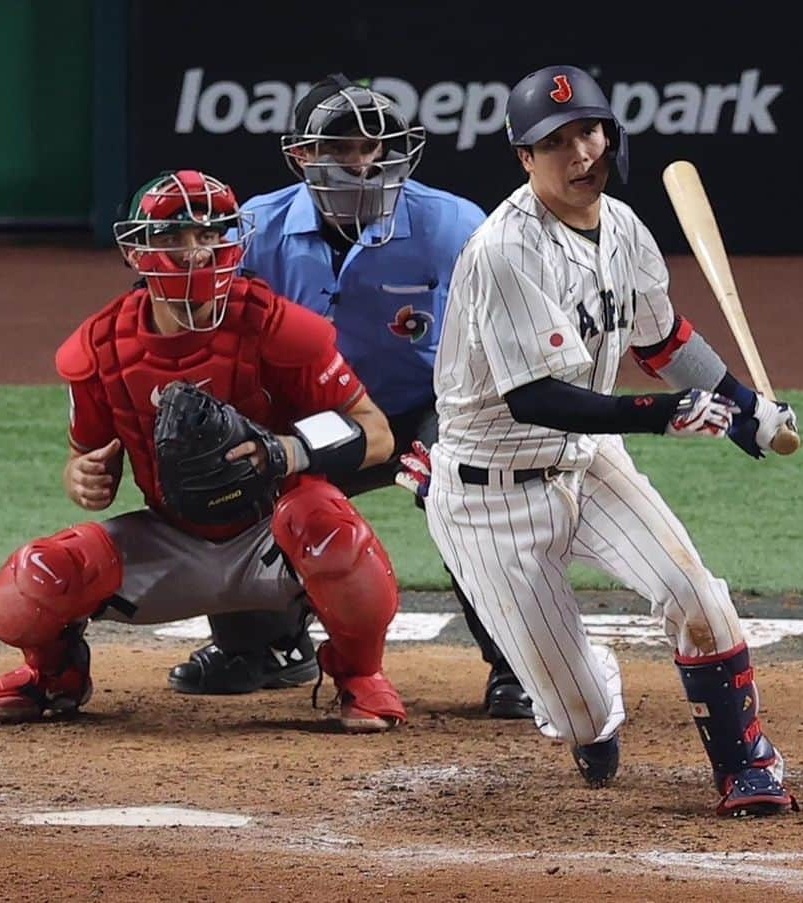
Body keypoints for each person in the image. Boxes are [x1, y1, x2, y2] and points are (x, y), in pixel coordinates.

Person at [413, 65, 800, 816]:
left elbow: (664, 340)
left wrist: (746, 408)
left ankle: (747, 764)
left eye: (588, 131)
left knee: (698, 596)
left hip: (587, 464)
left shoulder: (622, 226)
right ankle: (591, 693)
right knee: (581, 714)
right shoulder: (504, 252)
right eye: (554, 142)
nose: (581, 153)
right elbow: (535, 399)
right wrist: (664, 415)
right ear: (524, 160)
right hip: (487, 497)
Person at [0, 169, 407, 734]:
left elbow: (375, 433)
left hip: (274, 533)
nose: (196, 251)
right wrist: (84, 476)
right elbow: (83, 459)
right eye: (175, 235)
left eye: (210, 233)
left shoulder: (276, 326)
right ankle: (55, 677)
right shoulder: (100, 348)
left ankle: (359, 676)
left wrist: (289, 451)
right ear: (136, 249)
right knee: (31, 586)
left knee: (331, 530)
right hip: (172, 537)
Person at [166, 74, 533, 719]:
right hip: (307, 421)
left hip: (425, 410)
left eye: (377, 145)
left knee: (470, 491)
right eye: (342, 147)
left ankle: (518, 664)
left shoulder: (452, 226)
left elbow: (503, 332)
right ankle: (264, 646)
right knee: (216, 466)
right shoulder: (254, 230)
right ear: (301, 155)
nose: (363, 161)